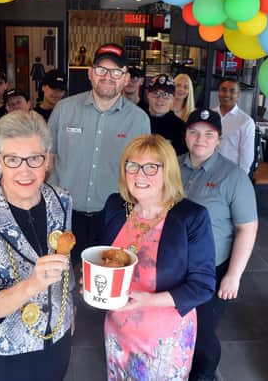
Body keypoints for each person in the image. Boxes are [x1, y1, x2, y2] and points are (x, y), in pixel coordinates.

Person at [0, 111, 74, 381]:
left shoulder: (62, 200)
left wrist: (68, 310)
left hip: (54, 340)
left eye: (34, 158)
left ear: (47, 160)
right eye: (13, 160)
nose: (24, 170)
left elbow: (64, 263)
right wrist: (33, 283)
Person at [97, 134, 216, 380]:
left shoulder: (191, 217)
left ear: (168, 172)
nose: (140, 174)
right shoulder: (116, 206)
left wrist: (146, 301)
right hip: (118, 332)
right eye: (132, 165)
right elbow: (103, 258)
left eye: (151, 167)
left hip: (164, 340)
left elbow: (203, 286)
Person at [48, 43, 150, 263]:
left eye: (116, 72)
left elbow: (142, 174)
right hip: (64, 213)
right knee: (58, 277)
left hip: (113, 216)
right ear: (90, 74)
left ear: (125, 78)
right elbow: (48, 159)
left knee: (106, 278)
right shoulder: (64, 109)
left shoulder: (139, 120)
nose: (108, 76)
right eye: (101, 69)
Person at [179, 109, 258, 381]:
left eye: (209, 134)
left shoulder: (233, 176)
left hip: (210, 270)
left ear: (219, 140)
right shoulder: (171, 166)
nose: (200, 139)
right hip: (173, 266)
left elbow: (247, 228)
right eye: (194, 132)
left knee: (201, 332)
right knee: (175, 326)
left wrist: (233, 276)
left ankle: (204, 375)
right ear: (185, 135)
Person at [212, 78, 255, 172]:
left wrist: (240, 178)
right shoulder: (210, 115)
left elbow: (246, 156)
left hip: (229, 171)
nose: (227, 94)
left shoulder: (246, 122)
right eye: (223, 90)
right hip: (207, 168)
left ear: (238, 94)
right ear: (218, 92)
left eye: (232, 91)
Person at [145, 73, 188, 155]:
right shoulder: (137, 119)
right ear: (148, 95)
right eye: (155, 94)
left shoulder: (180, 127)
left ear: (172, 98)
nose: (160, 99)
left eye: (166, 95)